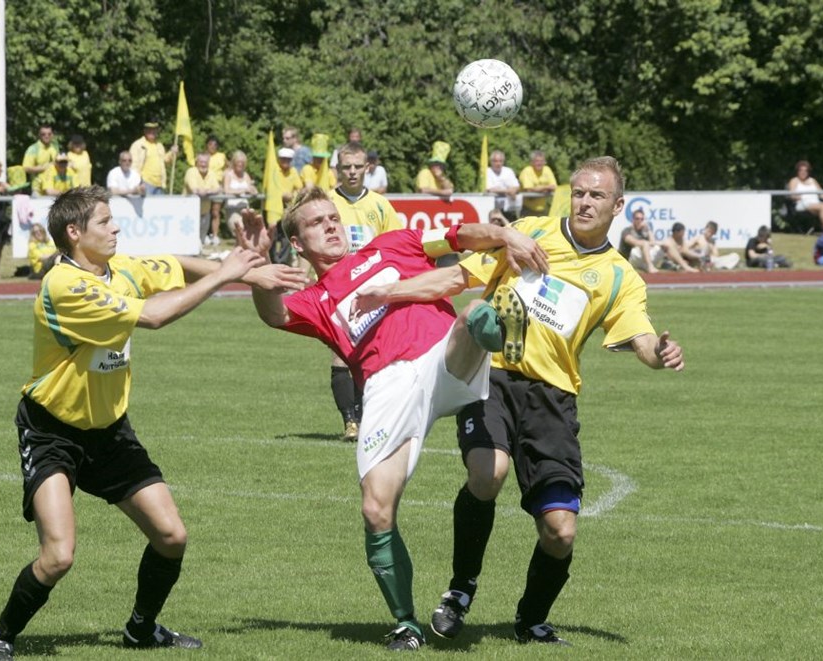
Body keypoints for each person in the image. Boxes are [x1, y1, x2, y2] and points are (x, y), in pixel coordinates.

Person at [0, 185, 302, 661]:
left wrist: (248, 271)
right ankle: (2, 636)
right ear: (75, 233)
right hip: (52, 430)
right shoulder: (65, 286)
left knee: (171, 536)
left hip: (109, 430)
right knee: (59, 555)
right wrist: (228, 276)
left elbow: (174, 263)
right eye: (106, 222)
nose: (116, 228)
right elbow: (153, 316)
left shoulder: (121, 268)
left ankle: (140, 630)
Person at [237, 186, 549, 652]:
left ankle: (493, 326)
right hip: (387, 386)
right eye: (316, 223)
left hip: (442, 355)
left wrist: (506, 236)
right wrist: (258, 275)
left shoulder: (392, 243)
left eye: (332, 217)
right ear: (298, 244)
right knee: (375, 508)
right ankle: (406, 623)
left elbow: (459, 236)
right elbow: (275, 314)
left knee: (472, 316)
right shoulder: (318, 300)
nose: (330, 225)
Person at [420, 156, 684, 647]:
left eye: (596, 196)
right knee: (487, 472)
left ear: (617, 205)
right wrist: (395, 290)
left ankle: (530, 620)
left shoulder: (620, 276)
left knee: (560, 532)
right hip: (493, 377)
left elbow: (640, 337)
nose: (584, 202)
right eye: (579, 192)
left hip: (553, 400)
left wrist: (659, 353)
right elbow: (461, 275)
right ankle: (459, 592)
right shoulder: (529, 232)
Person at [327, 141, 405, 440]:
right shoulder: (327, 203)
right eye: (346, 167)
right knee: (340, 356)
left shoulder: (380, 205)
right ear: (338, 169)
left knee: (371, 356)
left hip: (373, 288)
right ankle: (350, 422)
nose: (352, 172)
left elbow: (397, 242)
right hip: (338, 287)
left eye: (357, 167)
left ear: (367, 168)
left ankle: (365, 417)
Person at [787, 160, 823, 232]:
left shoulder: (812, 180)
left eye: (806, 171)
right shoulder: (794, 180)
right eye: (801, 170)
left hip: (816, 203)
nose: (803, 172)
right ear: (797, 171)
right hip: (803, 203)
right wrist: (799, 197)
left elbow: (822, 194)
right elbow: (791, 195)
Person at [220, 150, 259, 246]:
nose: (240, 165)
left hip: (245, 208)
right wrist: (241, 191)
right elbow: (226, 190)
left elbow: (250, 187)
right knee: (239, 229)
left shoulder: (245, 175)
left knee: (246, 235)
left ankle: (240, 253)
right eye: (238, 162)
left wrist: (253, 190)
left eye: (242, 163)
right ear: (234, 162)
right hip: (232, 209)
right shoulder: (228, 174)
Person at [183, 152, 222, 245]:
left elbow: (217, 188)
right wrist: (209, 191)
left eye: (205, 162)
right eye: (201, 162)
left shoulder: (211, 173)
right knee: (191, 242)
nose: (203, 164)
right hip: (189, 213)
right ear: (197, 162)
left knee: (202, 240)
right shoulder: (191, 171)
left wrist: (207, 191)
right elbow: (195, 190)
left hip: (205, 212)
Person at [130, 121, 178, 195]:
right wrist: (138, 182)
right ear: (144, 131)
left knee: (159, 206)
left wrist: (172, 152)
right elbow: (133, 165)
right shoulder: (137, 145)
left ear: (157, 131)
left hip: (159, 183)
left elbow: (165, 160)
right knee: (146, 206)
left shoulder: (159, 145)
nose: (151, 132)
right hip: (145, 183)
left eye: (154, 130)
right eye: (149, 129)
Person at [619, 208, 664, 273]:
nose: (639, 221)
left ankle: (648, 266)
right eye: (637, 218)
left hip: (641, 257)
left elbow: (653, 243)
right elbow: (634, 242)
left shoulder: (644, 231)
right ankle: (650, 267)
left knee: (662, 246)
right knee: (644, 244)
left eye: (642, 219)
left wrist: (648, 229)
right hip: (630, 259)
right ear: (633, 219)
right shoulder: (627, 231)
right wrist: (646, 243)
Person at [518, 150, 557, 217]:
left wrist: (537, 189)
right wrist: (546, 187)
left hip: (543, 210)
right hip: (528, 209)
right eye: (537, 161)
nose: (540, 163)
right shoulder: (527, 171)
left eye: (542, 161)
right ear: (532, 162)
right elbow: (529, 189)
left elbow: (554, 187)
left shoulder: (547, 169)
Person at [485, 149, 521, 220]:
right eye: (495, 161)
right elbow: (489, 189)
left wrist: (513, 190)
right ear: (491, 162)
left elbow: (516, 186)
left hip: (508, 207)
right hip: (492, 208)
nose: (498, 163)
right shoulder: (487, 171)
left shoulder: (508, 171)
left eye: (500, 161)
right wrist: (508, 191)